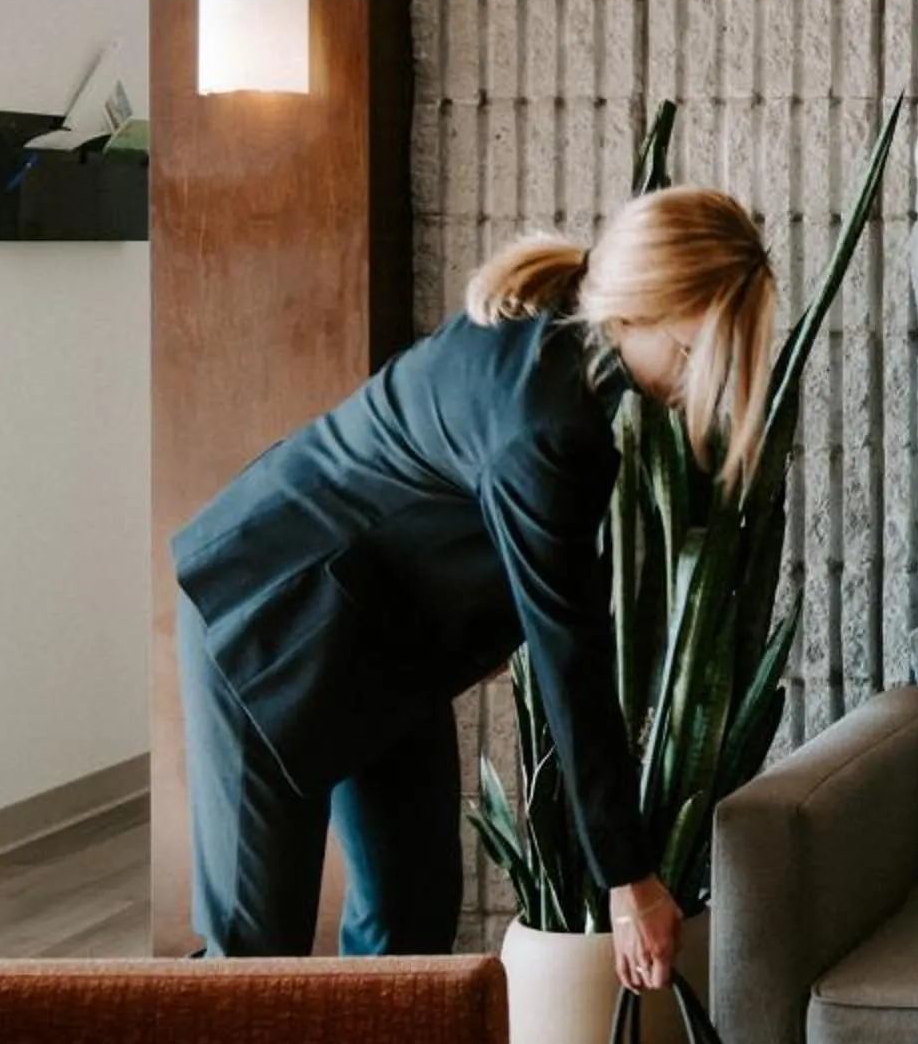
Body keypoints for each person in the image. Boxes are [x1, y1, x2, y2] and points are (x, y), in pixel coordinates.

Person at [169, 186, 776, 990]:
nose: (712, 381)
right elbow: (572, 660)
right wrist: (631, 881)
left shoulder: (564, 338)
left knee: (411, 915)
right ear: (646, 309)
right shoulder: (549, 421)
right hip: (266, 622)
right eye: (703, 352)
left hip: (377, 645)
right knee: (252, 957)